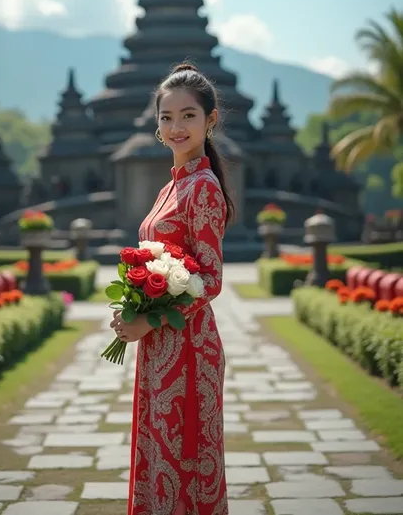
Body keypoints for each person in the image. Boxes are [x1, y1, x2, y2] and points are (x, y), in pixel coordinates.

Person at [110, 62, 235, 515]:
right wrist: (133, 303)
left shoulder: (202, 188)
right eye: (166, 117)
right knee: (157, 452)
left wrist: (147, 317)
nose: (176, 126)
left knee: (183, 460)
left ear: (210, 120)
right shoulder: (171, 187)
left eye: (188, 115)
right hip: (161, 343)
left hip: (187, 346)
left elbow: (211, 278)